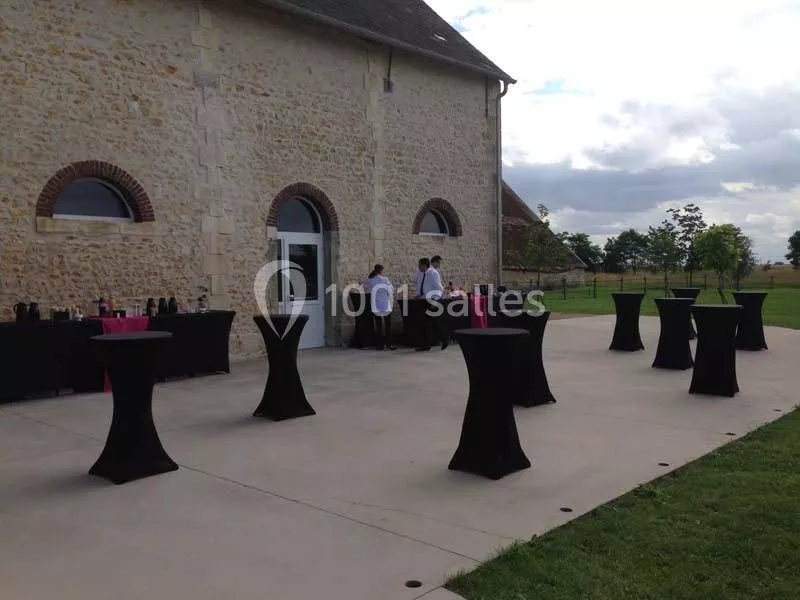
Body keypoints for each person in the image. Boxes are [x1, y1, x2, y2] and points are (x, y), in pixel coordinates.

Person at [414, 257, 447, 351]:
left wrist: (435, 300)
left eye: (420, 265)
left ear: (425, 265)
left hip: (431, 300)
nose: (418, 267)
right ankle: (426, 344)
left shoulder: (433, 273)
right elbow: (420, 285)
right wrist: (418, 295)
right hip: (423, 300)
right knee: (424, 323)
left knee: (434, 322)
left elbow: (439, 288)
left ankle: (444, 339)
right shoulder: (421, 274)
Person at [363, 264, 395, 350]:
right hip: (386, 304)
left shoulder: (371, 280)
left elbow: (364, 287)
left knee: (379, 326)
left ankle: (380, 345)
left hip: (376, 305)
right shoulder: (385, 279)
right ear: (381, 271)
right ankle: (389, 344)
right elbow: (392, 289)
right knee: (388, 325)